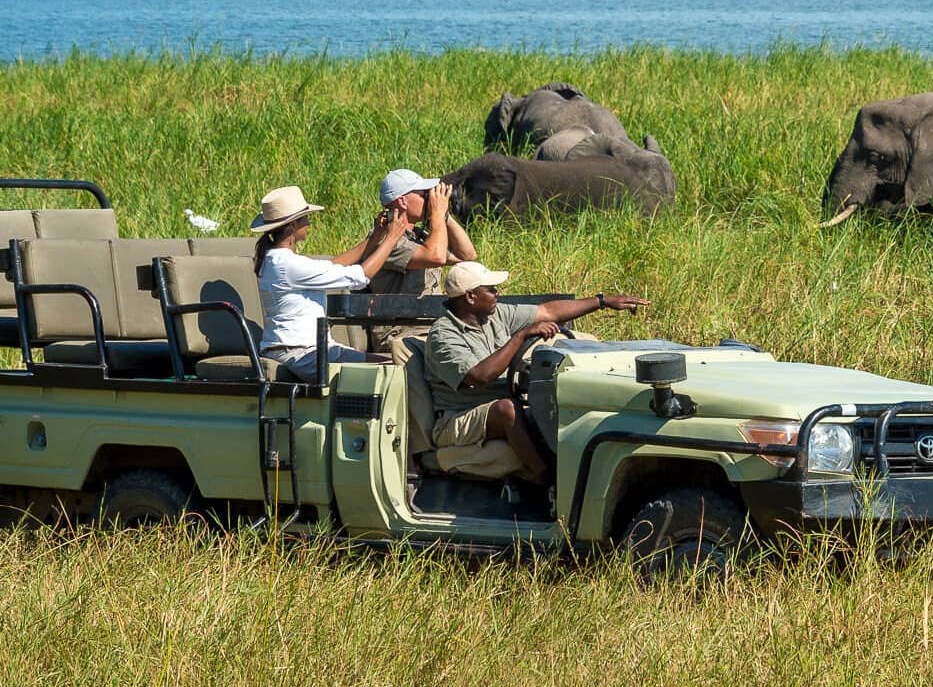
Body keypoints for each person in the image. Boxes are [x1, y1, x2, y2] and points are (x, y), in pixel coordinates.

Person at [424, 260, 649, 482]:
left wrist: (601, 301)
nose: (497, 293)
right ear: (471, 296)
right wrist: (520, 336)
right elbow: (480, 376)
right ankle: (548, 481)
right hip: (458, 416)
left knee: (552, 401)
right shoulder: (443, 335)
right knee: (507, 410)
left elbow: (547, 311)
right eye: (490, 289)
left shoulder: (494, 315)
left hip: (502, 400)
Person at [250, 185, 411, 381]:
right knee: (392, 370)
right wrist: (391, 239)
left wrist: (376, 236)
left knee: (391, 363)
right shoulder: (287, 264)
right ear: (292, 226)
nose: (309, 223)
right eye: (305, 218)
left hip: (306, 349)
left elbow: (332, 266)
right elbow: (360, 276)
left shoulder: (278, 260)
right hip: (298, 352)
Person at [342, 170, 479, 352]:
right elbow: (436, 256)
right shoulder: (386, 240)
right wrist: (437, 215)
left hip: (431, 328)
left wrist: (445, 216)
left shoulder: (418, 237)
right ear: (402, 201)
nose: (429, 199)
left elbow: (466, 255)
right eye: (424, 195)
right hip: (402, 334)